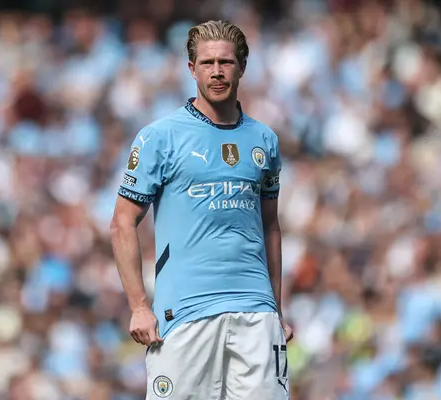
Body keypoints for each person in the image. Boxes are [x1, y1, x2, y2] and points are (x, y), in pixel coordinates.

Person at [110, 20, 293, 400]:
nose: (217, 72)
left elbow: (270, 227)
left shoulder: (264, 140)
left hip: (255, 311)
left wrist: (277, 308)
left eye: (226, 62)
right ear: (191, 69)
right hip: (185, 312)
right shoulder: (160, 136)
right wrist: (139, 307)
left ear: (242, 67)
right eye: (207, 63)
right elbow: (122, 223)